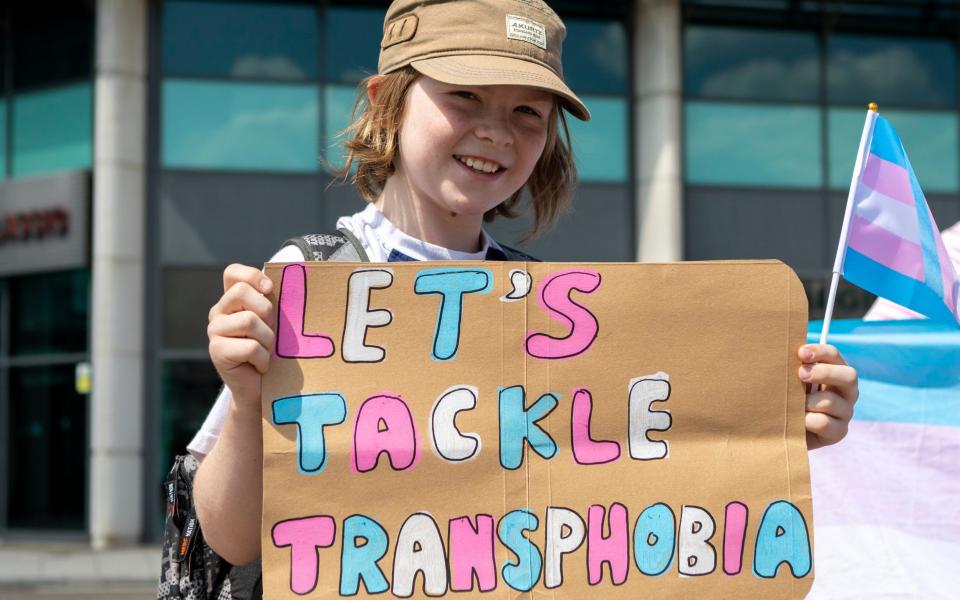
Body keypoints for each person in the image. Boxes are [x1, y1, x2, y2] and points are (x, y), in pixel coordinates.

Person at [190, 0, 859, 567]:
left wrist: (770, 428)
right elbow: (232, 539)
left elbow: (639, 489)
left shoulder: (551, 306)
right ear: (385, 102)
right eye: (464, 95)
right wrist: (251, 403)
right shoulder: (312, 280)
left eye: (527, 114)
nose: (495, 131)